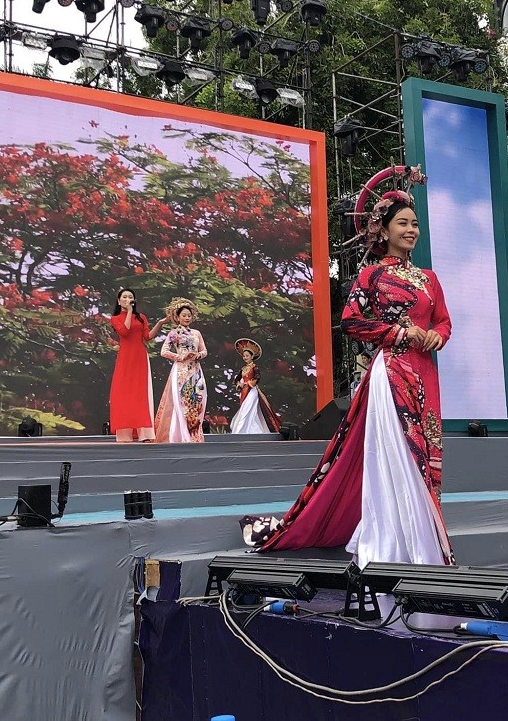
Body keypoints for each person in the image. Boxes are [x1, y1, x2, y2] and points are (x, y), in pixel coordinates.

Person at [240, 165, 453, 566]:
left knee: (426, 451)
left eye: (415, 224)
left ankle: (424, 538)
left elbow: (443, 320)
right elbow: (352, 321)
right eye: (403, 223)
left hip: (425, 373)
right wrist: (401, 335)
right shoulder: (370, 276)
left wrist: (436, 336)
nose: (412, 230)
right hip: (391, 374)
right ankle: (396, 541)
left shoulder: (430, 278)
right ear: (384, 230)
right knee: (400, 454)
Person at [109, 288, 166, 443]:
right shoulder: (115, 318)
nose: (128, 299)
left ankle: (145, 434)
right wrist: (128, 312)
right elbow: (125, 332)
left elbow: (147, 337)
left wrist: (160, 323)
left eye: (131, 297)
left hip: (140, 357)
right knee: (123, 394)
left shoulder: (141, 317)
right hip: (125, 358)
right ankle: (125, 434)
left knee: (141, 394)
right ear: (119, 300)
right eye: (125, 297)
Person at [153, 299, 208, 443]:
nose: (187, 318)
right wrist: (180, 357)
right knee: (183, 401)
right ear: (177, 317)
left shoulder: (197, 333)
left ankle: (195, 435)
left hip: (196, 370)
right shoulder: (173, 333)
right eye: (184, 315)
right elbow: (164, 351)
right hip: (181, 371)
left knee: (197, 401)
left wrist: (198, 355)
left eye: (189, 315)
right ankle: (181, 435)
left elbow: (204, 350)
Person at [229, 338, 281, 434]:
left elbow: (257, 377)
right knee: (244, 408)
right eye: (244, 356)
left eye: (247, 356)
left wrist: (248, 383)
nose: (245, 357)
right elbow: (236, 379)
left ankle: (241, 430)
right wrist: (239, 384)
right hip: (244, 391)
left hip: (252, 391)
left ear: (252, 356)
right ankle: (249, 430)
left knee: (248, 408)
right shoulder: (243, 368)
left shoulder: (254, 367)